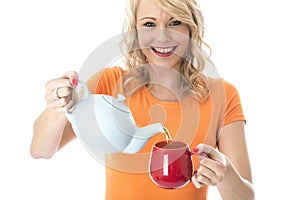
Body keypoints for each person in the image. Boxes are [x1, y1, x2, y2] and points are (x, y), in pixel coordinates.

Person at [30, 0, 255, 199]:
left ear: (191, 27)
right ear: (135, 31)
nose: (163, 36)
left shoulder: (222, 95)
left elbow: (245, 198)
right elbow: (40, 150)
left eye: (175, 22)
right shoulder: (109, 84)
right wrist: (57, 106)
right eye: (149, 24)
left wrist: (224, 173)